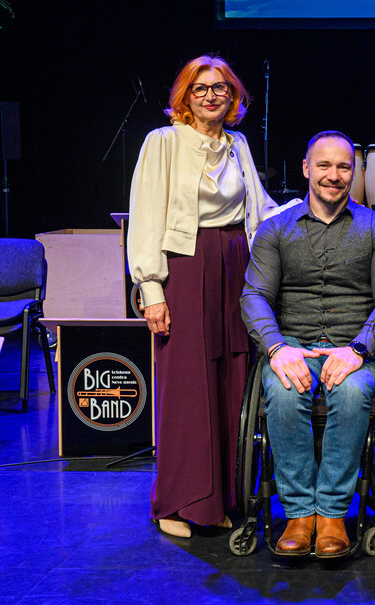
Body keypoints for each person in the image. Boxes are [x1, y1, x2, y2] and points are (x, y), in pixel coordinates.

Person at [128, 54, 283, 539]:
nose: (211, 96)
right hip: (186, 267)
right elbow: (144, 216)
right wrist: (151, 289)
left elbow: (260, 210)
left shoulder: (238, 145)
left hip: (235, 263)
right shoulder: (163, 142)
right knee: (187, 387)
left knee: (233, 379)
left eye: (221, 88)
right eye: (201, 88)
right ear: (185, 96)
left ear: (233, 96)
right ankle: (178, 501)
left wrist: (316, 210)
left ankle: (224, 496)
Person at [239, 131, 375, 558]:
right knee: (283, 390)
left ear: (355, 172)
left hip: (353, 347)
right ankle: (298, 513)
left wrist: (359, 349)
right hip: (293, 344)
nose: (334, 175)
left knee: (350, 394)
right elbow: (254, 296)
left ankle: (331, 513)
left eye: (344, 167)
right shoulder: (275, 229)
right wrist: (277, 348)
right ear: (306, 169)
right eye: (324, 166)